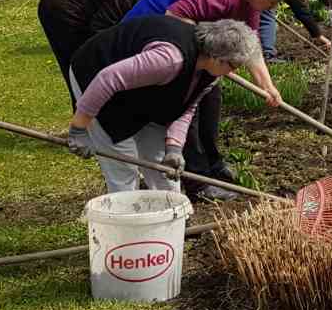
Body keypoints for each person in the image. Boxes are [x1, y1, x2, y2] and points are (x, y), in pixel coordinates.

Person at [123, 0, 293, 200]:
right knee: (186, 105)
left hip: (185, 42)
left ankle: (213, 166)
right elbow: (174, 16)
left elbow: (251, 43)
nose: (269, 9)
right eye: (272, 3)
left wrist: (267, 85)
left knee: (211, 95)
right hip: (148, 38)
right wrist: (210, 57)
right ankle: (196, 182)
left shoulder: (249, 0)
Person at [67, 17, 261, 195]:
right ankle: (128, 225)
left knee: (164, 167)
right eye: (233, 66)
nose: (233, 71)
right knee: (122, 165)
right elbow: (107, 80)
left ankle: (174, 220)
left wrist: (174, 148)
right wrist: (79, 129)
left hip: (143, 90)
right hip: (98, 77)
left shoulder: (210, 73)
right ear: (216, 57)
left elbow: (186, 107)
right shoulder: (169, 59)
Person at [37, 0, 176, 93]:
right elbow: (102, 27)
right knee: (80, 64)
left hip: (70, 5)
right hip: (62, 9)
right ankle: (85, 108)